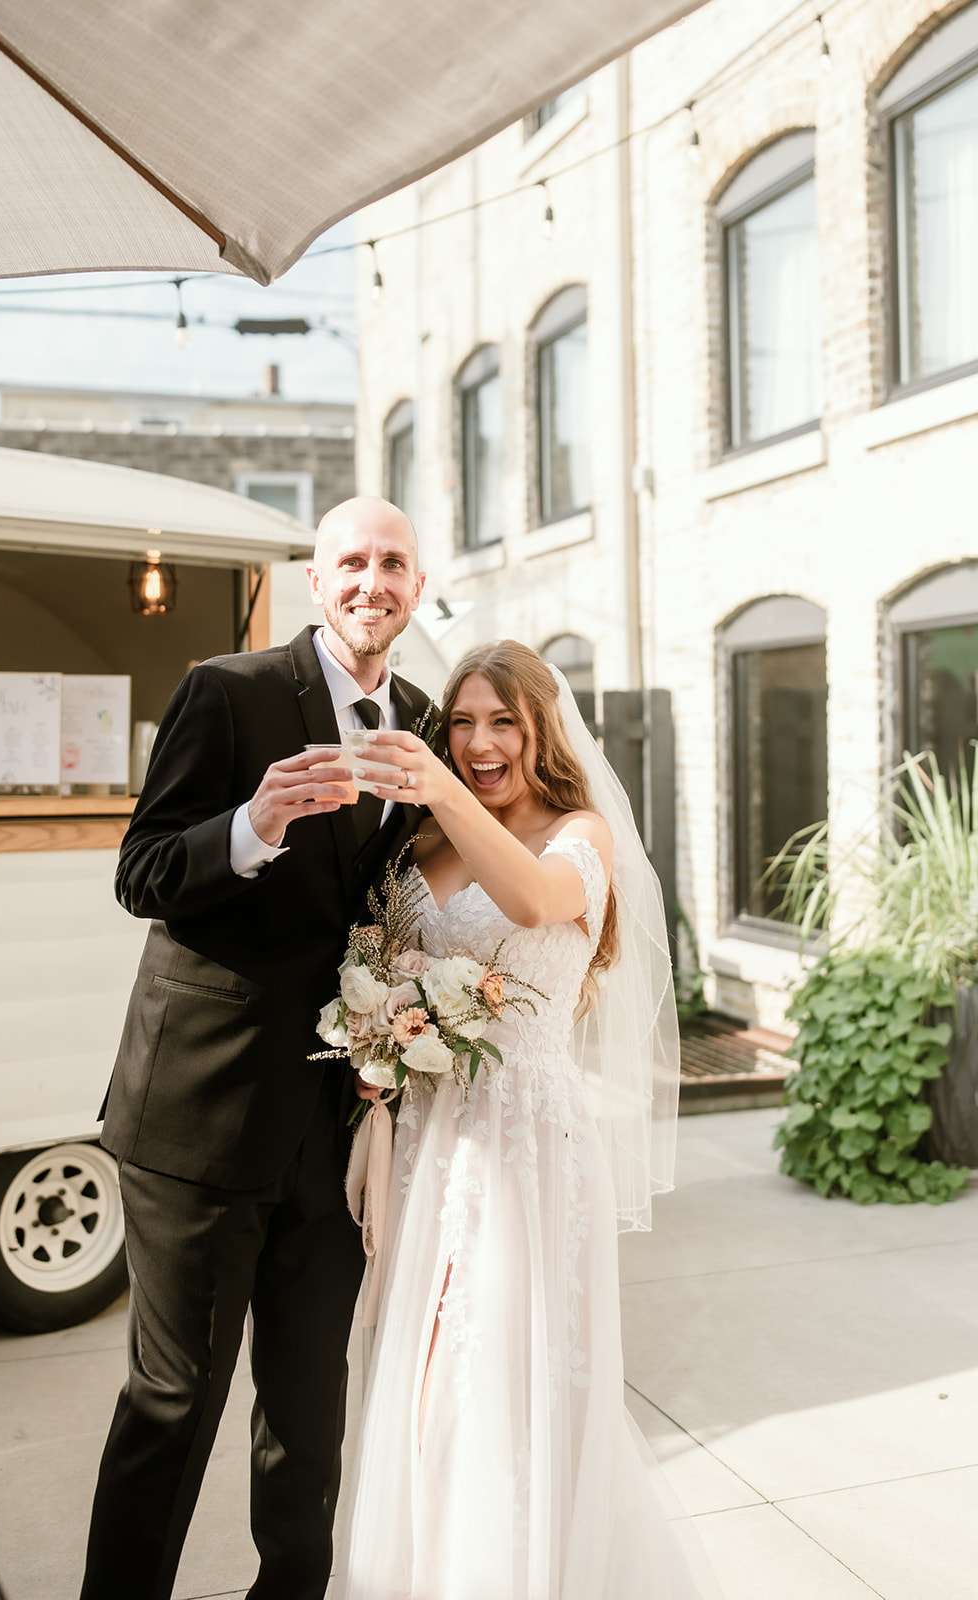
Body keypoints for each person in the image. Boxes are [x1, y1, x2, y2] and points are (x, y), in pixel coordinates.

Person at [80, 497, 433, 1600]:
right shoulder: (226, 691)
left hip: (333, 1130)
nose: (372, 580)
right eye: (352, 562)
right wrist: (253, 827)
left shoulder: (420, 720)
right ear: (317, 581)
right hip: (199, 1114)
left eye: (394, 563)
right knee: (174, 1400)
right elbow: (140, 873)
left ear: (416, 586)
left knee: (308, 1403)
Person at [335, 640, 716, 1599]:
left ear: (539, 728)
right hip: (427, 1139)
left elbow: (534, 899)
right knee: (420, 1375)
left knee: (506, 1379)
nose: (477, 742)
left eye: (501, 720)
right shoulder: (416, 847)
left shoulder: (575, 834)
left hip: (524, 1145)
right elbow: (377, 967)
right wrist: (373, 1062)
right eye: (459, 723)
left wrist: (440, 789)